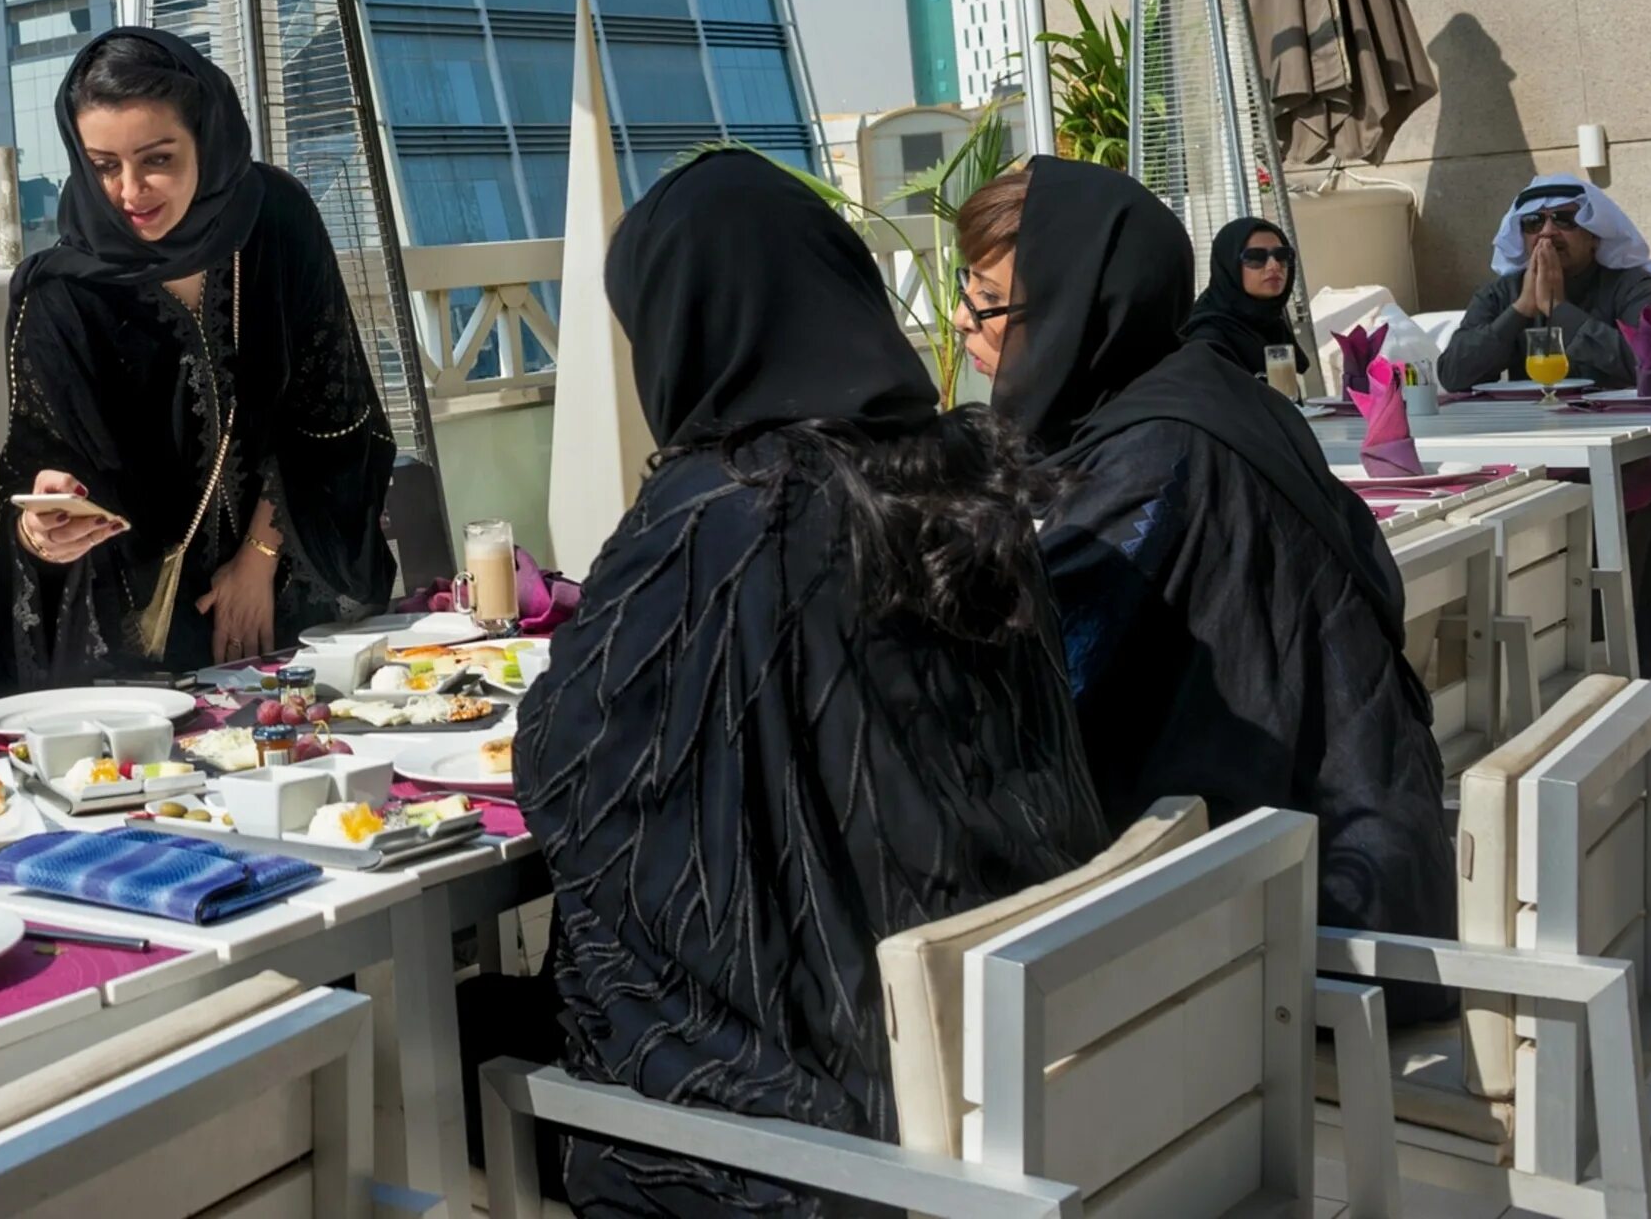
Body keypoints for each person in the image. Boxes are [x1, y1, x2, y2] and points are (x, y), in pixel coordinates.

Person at [517, 151, 1109, 1218]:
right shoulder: (965, 468)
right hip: (1032, 1059)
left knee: (477, 1039)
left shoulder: (723, 515)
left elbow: (569, 766)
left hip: (838, 1126)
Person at [957, 158, 1454, 960]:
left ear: (1075, 308)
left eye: (986, 301)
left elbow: (1040, 675)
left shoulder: (1151, 454)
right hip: (1366, 845)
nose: (959, 322)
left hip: (1297, 926)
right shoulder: (1208, 396)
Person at [3, 27, 396, 676]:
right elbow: (36, 466)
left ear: (205, 139)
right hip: (143, 634)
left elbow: (331, 410)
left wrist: (259, 560)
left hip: (292, 587)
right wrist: (44, 523)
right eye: (104, 165)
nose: (130, 192)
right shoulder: (59, 292)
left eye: (157, 159)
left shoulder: (276, 221)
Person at [1439, 173, 1651, 391]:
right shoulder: (1502, 293)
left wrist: (1559, 309)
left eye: (1564, 220)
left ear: (1594, 235)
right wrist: (1519, 310)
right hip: (1530, 423)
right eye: (1533, 222)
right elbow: (1452, 376)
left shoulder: (1633, 287)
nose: (1547, 232)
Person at [1180, 217, 1307, 378]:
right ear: (1229, 267)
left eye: (1282, 255)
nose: (1274, 265)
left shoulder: (1272, 325)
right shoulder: (1207, 341)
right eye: (1255, 257)